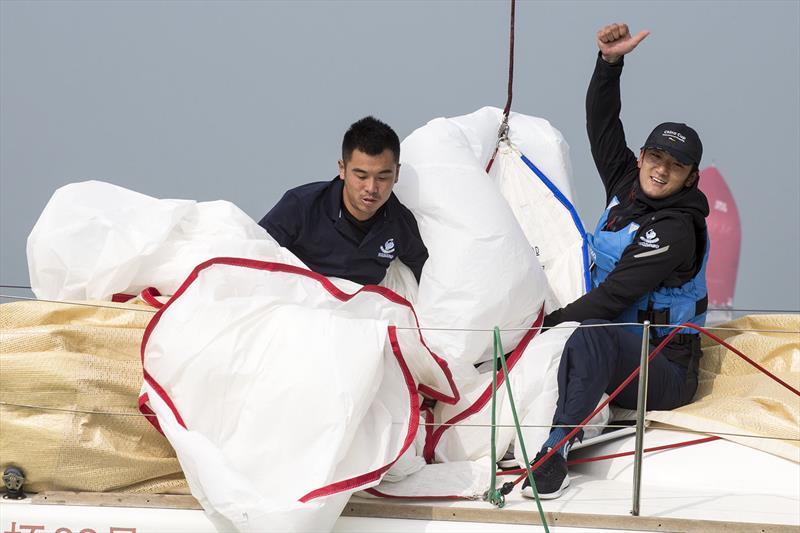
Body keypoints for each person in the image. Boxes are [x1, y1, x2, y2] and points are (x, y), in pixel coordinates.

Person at [522, 23, 710, 500]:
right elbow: (603, 125)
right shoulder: (627, 181)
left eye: (675, 165)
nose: (660, 169)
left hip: (662, 366)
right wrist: (609, 64)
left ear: (691, 178)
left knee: (590, 337)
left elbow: (614, 298)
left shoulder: (676, 230)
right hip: (614, 340)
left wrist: (546, 327)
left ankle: (555, 451)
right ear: (643, 155)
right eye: (655, 156)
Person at [259, 116, 428, 286]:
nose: (371, 188)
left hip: (364, 309)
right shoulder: (300, 207)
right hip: (300, 304)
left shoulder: (401, 224)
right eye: (361, 176)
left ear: (397, 174)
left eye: (382, 177)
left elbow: (428, 279)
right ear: (342, 169)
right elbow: (255, 255)